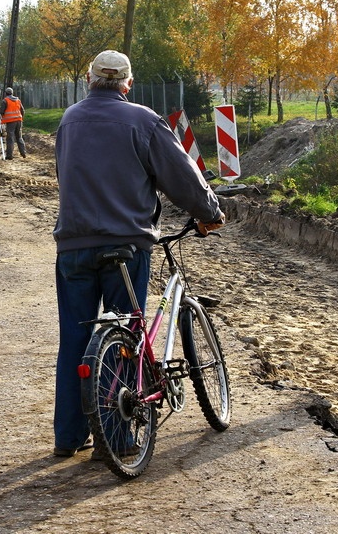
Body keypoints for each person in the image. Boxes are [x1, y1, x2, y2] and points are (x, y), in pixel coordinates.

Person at [51, 49, 225, 458]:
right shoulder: (144, 120)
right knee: (126, 337)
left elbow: (64, 174)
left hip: (73, 246)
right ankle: (115, 438)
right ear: (127, 84)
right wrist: (210, 212)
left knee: (74, 339)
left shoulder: (69, 120)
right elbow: (181, 175)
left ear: (89, 79)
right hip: (126, 245)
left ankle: (68, 436)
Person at [0, 87, 26, 159]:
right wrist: (20, 118)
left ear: (6, 93)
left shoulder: (5, 100)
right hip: (19, 121)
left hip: (10, 122)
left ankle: (9, 155)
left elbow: (1, 111)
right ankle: (23, 153)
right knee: (19, 137)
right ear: (12, 93)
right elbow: (23, 110)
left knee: (10, 138)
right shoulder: (18, 100)